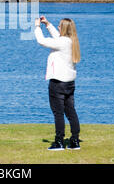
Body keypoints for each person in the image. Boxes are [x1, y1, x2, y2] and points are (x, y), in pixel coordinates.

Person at [34, 16, 81, 151]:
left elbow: (41, 41)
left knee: (58, 113)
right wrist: (48, 25)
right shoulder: (71, 42)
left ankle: (59, 142)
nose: (58, 27)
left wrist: (37, 27)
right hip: (70, 83)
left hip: (57, 83)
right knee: (71, 112)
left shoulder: (63, 43)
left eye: (60, 26)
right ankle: (75, 140)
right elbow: (58, 38)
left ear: (64, 29)